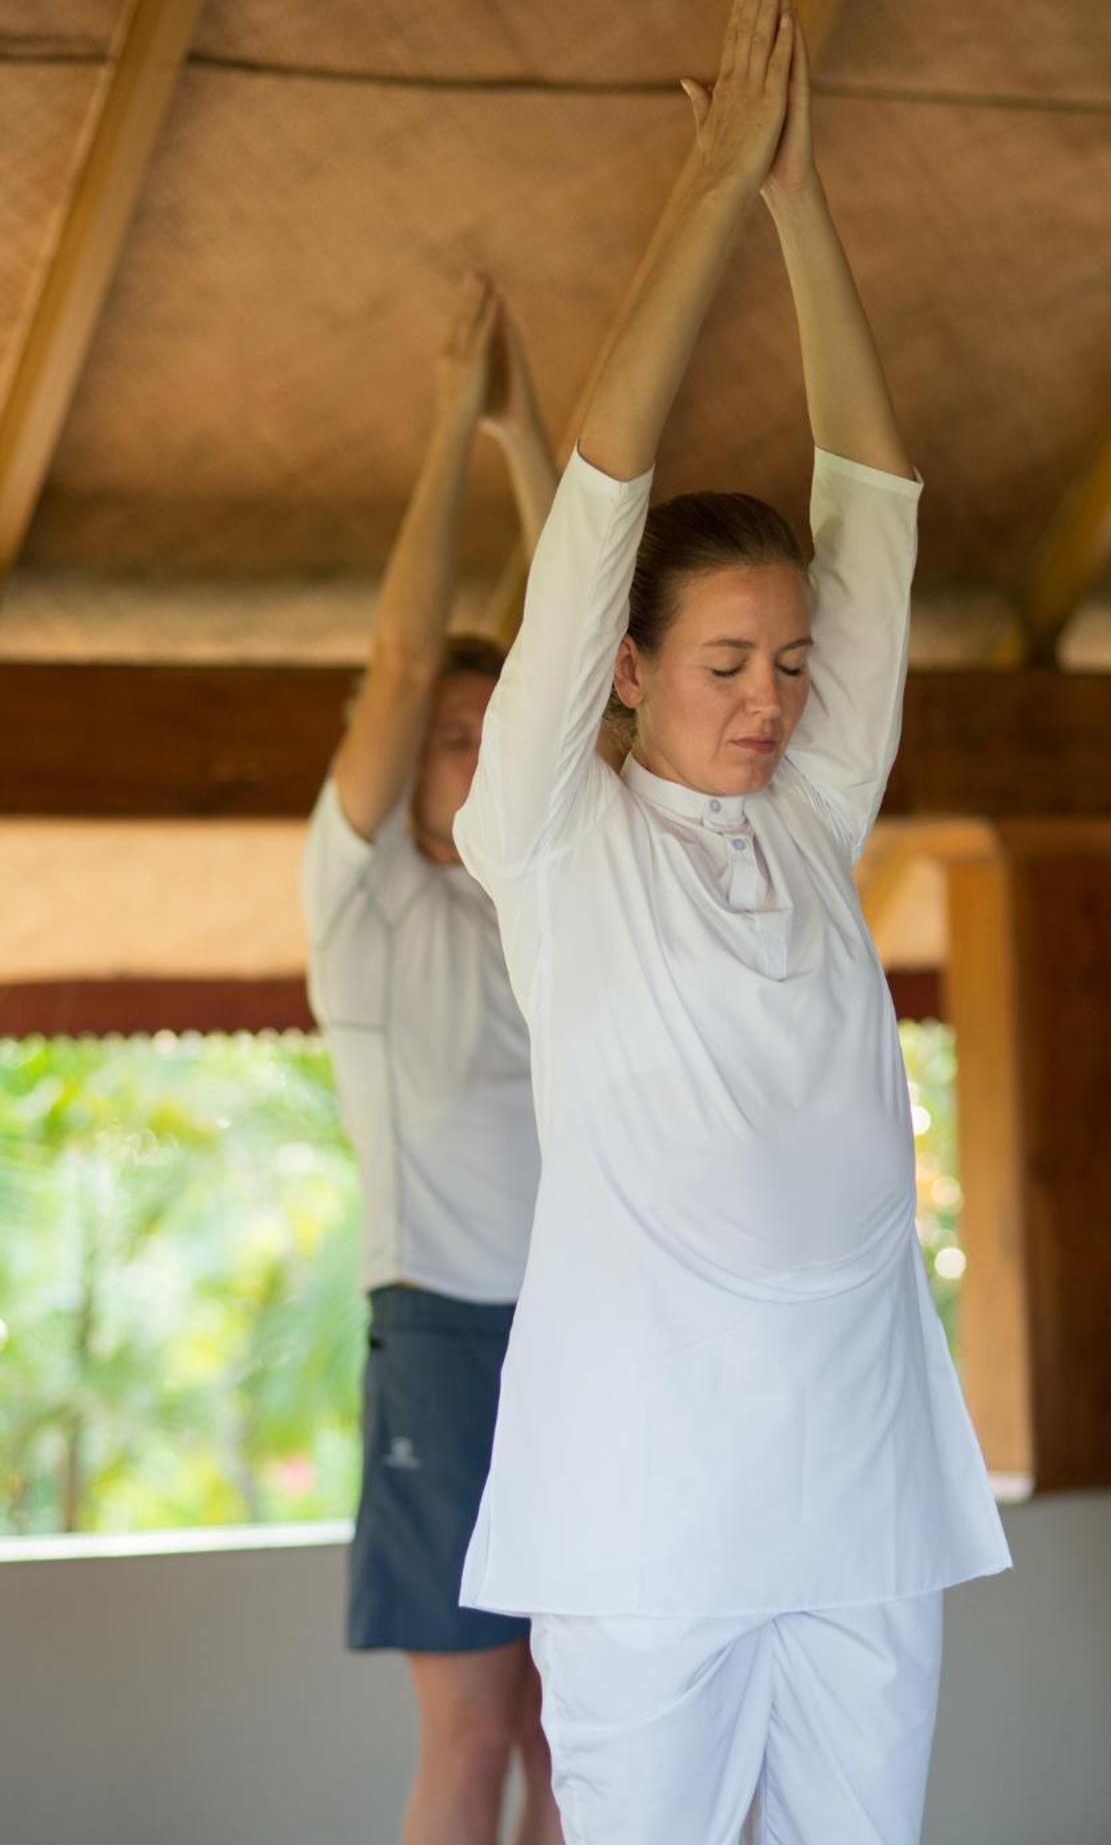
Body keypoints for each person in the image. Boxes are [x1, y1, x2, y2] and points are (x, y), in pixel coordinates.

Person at [452, 0, 1011, 1844]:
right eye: (724, 666)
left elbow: (879, 495)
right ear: (623, 672)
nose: (771, 699)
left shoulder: (812, 811)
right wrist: (701, 207)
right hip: (645, 1498)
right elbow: (601, 502)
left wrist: (802, 202)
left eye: (788, 665)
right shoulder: (550, 831)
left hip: (859, 1475)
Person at [301, 275, 564, 1845]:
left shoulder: (554, 900)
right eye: (446, 743)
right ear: (398, 777)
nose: (468, 758)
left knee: (576, 1732)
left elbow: (595, 640)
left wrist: (535, 436)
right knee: (474, 1734)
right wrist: (457, 429)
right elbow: (402, 668)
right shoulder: (368, 901)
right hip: (450, 1343)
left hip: (596, 1329)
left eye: (492, 736)